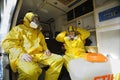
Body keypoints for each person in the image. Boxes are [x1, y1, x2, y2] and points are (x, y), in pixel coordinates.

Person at [2, 12, 63, 80]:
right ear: (27, 20)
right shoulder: (18, 29)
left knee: (59, 59)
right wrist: (21, 54)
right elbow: (8, 43)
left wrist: (46, 49)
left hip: (39, 55)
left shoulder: (38, 32)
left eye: (37, 20)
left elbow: (43, 43)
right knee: (30, 72)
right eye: (34, 20)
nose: (36, 22)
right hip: (24, 55)